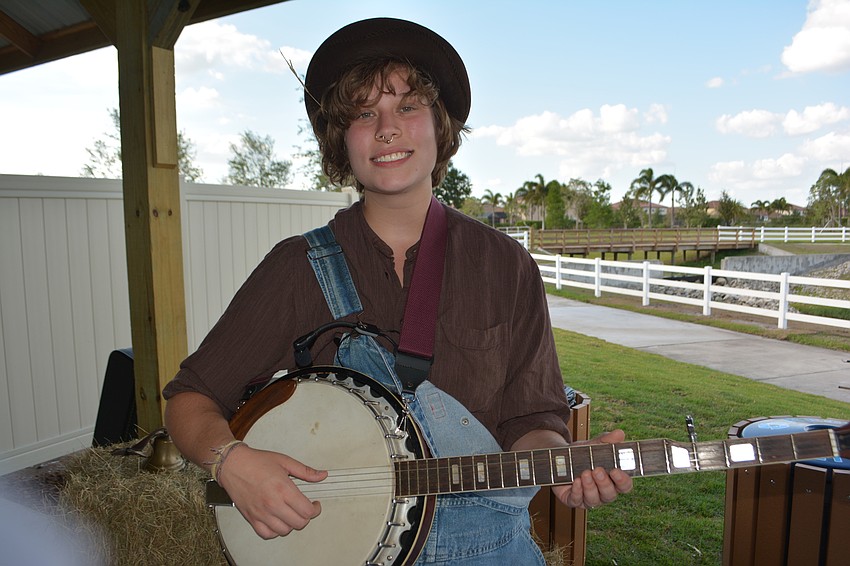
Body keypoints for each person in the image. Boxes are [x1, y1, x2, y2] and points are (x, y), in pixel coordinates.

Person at [164, 17, 632, 564]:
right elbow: (190, 400)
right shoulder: (297, 268)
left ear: (439, 127)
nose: (387, 129)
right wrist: (232, 461)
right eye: (364, 114)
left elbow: (532, 421)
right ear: (342, 139)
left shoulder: (507, 266)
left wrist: (562, 465)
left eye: (408, 107)